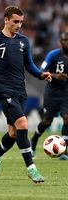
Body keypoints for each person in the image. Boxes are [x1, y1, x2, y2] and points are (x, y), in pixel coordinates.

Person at [0, 5, 52, 183]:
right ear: (6, 20)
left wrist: (40, 74)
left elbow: (29, 65)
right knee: (23, 124)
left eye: (21, 22)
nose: (19, 25)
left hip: (20, 91)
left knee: (14, 133)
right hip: (3, 90)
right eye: (15, 21)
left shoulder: (23, 41)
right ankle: (32, 169)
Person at [30, 32, 68, 160]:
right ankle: (34, 139)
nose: (66, 42)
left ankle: (64, 151)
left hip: (66, 93)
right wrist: (56, 75)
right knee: (47, 121)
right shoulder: (53, 55)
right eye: (65, 40)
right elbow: (42, 71)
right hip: (52, 93)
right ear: (61, 42)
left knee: (67, 118)